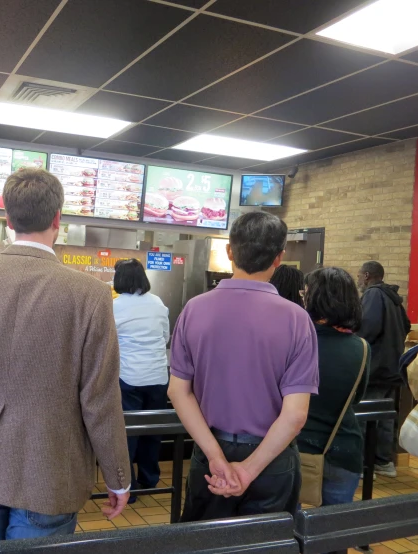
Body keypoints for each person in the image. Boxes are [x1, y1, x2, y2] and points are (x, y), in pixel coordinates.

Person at [0, 168, 131, 544]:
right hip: (51, 466)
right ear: (58, 219)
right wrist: (118, 476)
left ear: (7, 218)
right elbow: (100, 399)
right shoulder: (90, 294)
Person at [169, 211, 318, 521]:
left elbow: (178, 392)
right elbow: (295, 415)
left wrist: (216, 457)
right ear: (280, 258)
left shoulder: (194, 309)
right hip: (273, 461)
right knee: (268, 544)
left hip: (210, 454)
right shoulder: (297, 319)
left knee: (204, 542)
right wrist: (248, 471)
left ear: (229, 252)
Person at [298, 267, 370, 514]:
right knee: (333, 535)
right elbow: (356, 397)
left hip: (297, 448)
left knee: (287, 530)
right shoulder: (361, 347)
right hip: (345, 450)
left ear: (314, 298)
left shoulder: (297, 341)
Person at [112, 258, 170, 499]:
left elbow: (109, 344)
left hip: (129, 377)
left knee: (128, 434)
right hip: (158, 376)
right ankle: (150, 480)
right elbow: (165, 336)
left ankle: (130, 488)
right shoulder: (158, 303)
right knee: (152, 431)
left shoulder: (115, 306)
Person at [357, 261, 411, 477]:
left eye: (360, 275)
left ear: (368, 275)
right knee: (386, 416)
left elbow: (367, 328)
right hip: (393, 368)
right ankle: (383, 462)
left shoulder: (373, 295)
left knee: (363, 415)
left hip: (376, 368)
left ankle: (360, 464)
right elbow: (406, 326)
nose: (358, 279)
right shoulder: (393, 298)